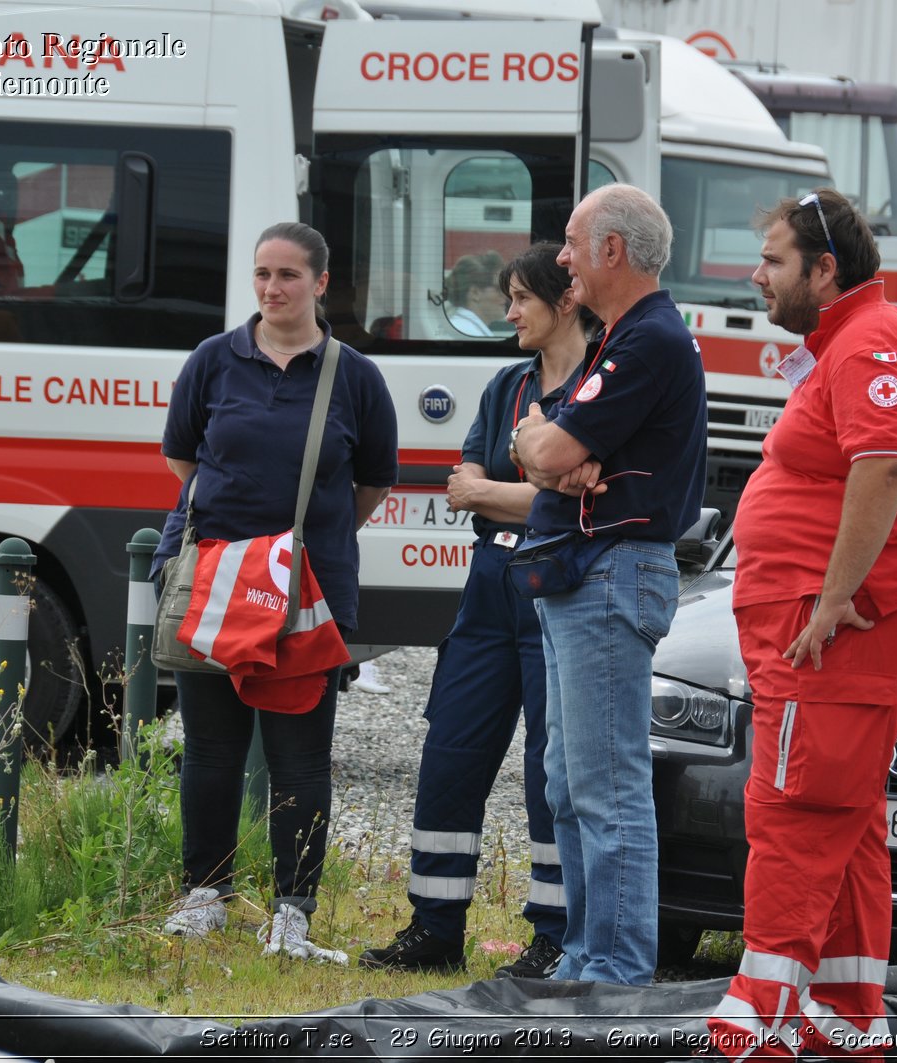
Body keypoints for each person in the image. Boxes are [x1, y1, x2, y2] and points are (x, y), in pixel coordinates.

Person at [704, 189, 897, 1059]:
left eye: (772, 260)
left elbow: (883, 467)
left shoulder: (872, 341)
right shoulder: (848, 342)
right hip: (823, 632)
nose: (757, 276)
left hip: (835, 636)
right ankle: (846, 1016)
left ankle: (755, 1024)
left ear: (823, 268)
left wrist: (837, 594)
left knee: (795, 813)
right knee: (845, 828)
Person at [152, 221, 397, 959]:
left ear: (321, 283)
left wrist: (304, 545)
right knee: (210, 750)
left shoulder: (354, 376)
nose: (271, 288)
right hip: (219, 583)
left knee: (299, 757)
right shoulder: (212, 361)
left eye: (287, 275)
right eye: (262, 274)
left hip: (306, 593)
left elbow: (373, 481)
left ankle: (293, 911)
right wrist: (246, 548)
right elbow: (181, 460)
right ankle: (206, 893)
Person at [358, 243, 595, 978]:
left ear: (565, 303)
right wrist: (532, 495)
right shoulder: (507, 386)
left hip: (557, 587)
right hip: (488, 586)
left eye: (522, 297)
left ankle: (553, 934)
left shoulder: (596, 388)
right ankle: (434, 927)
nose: (510, 311)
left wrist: (519, 495)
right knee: (449, 752)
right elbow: (463, 485)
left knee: (546, 773)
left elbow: (586, 501)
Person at [510, 185, 707, 985]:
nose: (562, 258)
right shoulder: (625, 338)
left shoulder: (647, 342)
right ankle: (588, 954)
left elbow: (551, 452)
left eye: (570, 241)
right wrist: (547, 446)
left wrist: (552, 450)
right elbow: (544, 444)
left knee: (606, 780)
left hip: (609, 573)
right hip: (584, 575)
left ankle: (615, 971)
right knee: (568, 778)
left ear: (612, 252)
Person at [443, 251, 507, 336]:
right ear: (475, 293)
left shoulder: (462, 328)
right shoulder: (467, 332)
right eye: (499, 288)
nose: (505, 295)